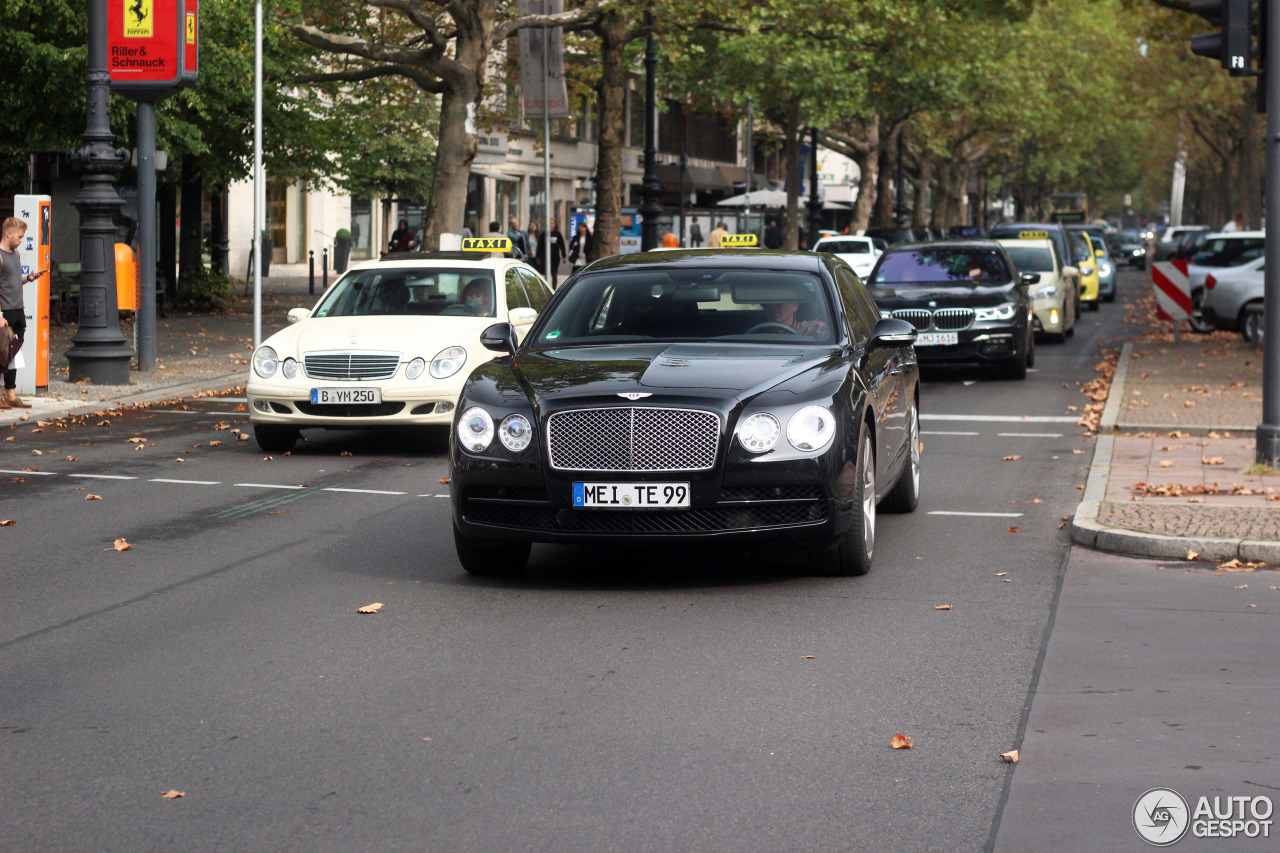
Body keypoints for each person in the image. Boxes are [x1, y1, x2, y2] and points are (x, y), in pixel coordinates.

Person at [0, 217, 36, 408]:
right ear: (9, 234)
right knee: (0, 353)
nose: (21, 240)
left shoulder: (15, 255)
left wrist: (29, 278)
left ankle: (11, 396)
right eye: (20, 237)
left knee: (12, 355)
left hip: (17, 311)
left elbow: (12, 280)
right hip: (4, 313)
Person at [761, 300, 828, 337]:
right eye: (768, 303)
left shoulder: (815, 328)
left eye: (779, 302)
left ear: (795, 306)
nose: (773, 306)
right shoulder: (754, 334)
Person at [541, 218, 567, 287]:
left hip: (555, 257)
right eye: (549, 223)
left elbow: (562, 245)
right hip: (545, 256)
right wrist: (538, 256)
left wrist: (564, 256)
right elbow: (540, 245)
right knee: (546, 273)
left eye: (552, 223)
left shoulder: (557, 234)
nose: (550, 225)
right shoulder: (544, 233)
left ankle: (553, 289)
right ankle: (546, 287)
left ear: (555, 225)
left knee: (554, 273)